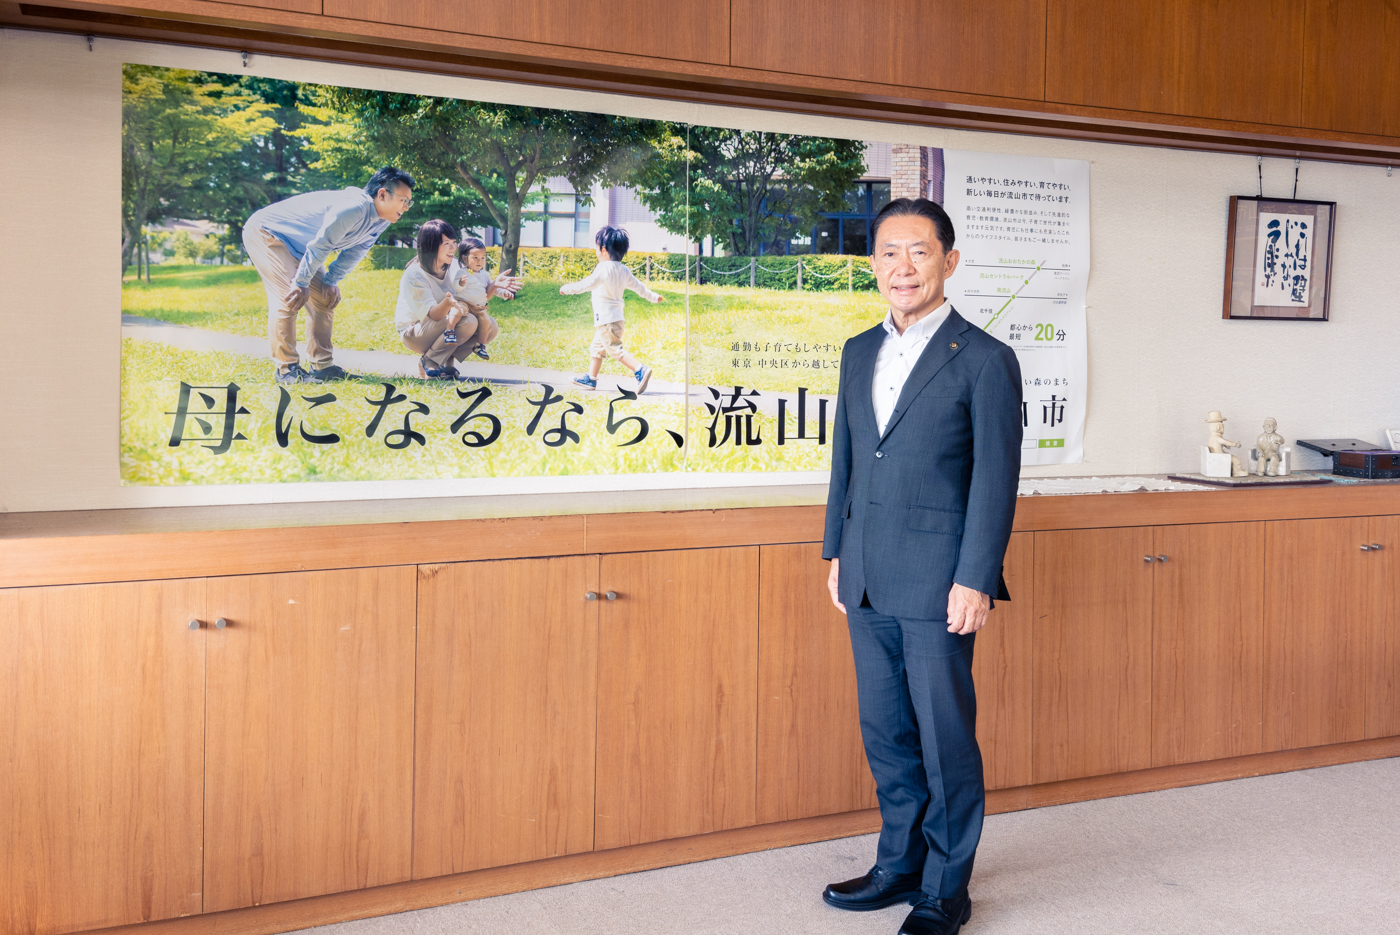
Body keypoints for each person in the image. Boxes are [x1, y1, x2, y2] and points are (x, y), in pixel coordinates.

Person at [821, 198, 1022, 935]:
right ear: (873, 264)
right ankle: (897, 862)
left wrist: (977, 576)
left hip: (942, 582)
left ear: (950, 261)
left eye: (919, 251)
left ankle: (945, 887)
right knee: (887, 731)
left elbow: (995, 480)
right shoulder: (854, 351)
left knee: (944, 739)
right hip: (867, 573)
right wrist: (836, 551)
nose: (902, 267)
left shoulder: (986, 360)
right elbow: (845, 460)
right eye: (888, 253)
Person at [242, 166, 415, 384]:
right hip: (269, 232)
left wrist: (331, 281)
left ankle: (321, 366)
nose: (406, 208)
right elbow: (321, 245)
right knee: (290, 296)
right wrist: (301, 282)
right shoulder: (353, 207)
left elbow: (355, 252)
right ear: (382, 194)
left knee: (325, 299)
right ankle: (286, 370)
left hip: (303, 247)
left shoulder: (381, 220)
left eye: (409, 202)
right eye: (403, 200)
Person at [560, 226, 661, 393]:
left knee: (615, 350)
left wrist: (567, 288)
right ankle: (591, 379)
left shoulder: (603, 268)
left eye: (596, 248)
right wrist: (653, 296)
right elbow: (640, 288)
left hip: (606, 320)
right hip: (615, 319)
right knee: (597, 348)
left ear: (604, 249)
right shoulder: (624, 270)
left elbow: (587, 284)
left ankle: (639, 369)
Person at [395, 219, 486, 380]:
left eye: (454, 242)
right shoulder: (415, 274)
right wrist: (448, 302)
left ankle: (446, 361)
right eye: (446, 243)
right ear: (431, 245)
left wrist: (496, 287)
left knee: (488, 325)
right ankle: (429, 360)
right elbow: (434, 315)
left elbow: (475, 296)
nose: (453, 248)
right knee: (467, 321)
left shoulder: (453, 266)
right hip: (414, 331)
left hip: (441, 324)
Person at [448, 237, 523, 361]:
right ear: (465, 258)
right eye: (475, 257)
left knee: (486, 322)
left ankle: (480, 345)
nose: (480, 261)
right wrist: (461, 283)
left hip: (479, 306)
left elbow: (493, 287)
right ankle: (449, 331)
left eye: (483, 257)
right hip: (464, 302)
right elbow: (456, 287)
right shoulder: (462, 272)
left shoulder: (485, 275)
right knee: (457, 310)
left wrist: (505, 293)